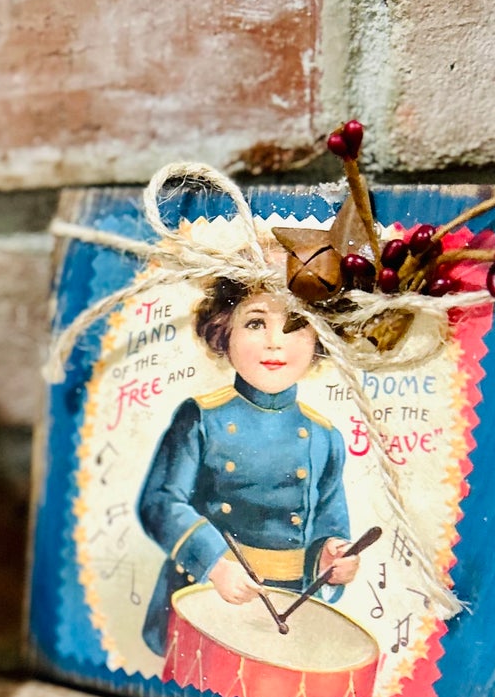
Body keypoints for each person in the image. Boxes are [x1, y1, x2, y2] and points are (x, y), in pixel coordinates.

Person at [136, 279, 362, 655]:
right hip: (204, 593)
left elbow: (328, 527)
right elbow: (161, 502)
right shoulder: (201, 417)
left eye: (295, 325)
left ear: (319, 338)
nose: (276, 342)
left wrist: (332, 560)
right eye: (256, 323)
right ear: (224, 330)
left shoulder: (325, 437)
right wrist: (215, 565)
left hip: (285, 606)